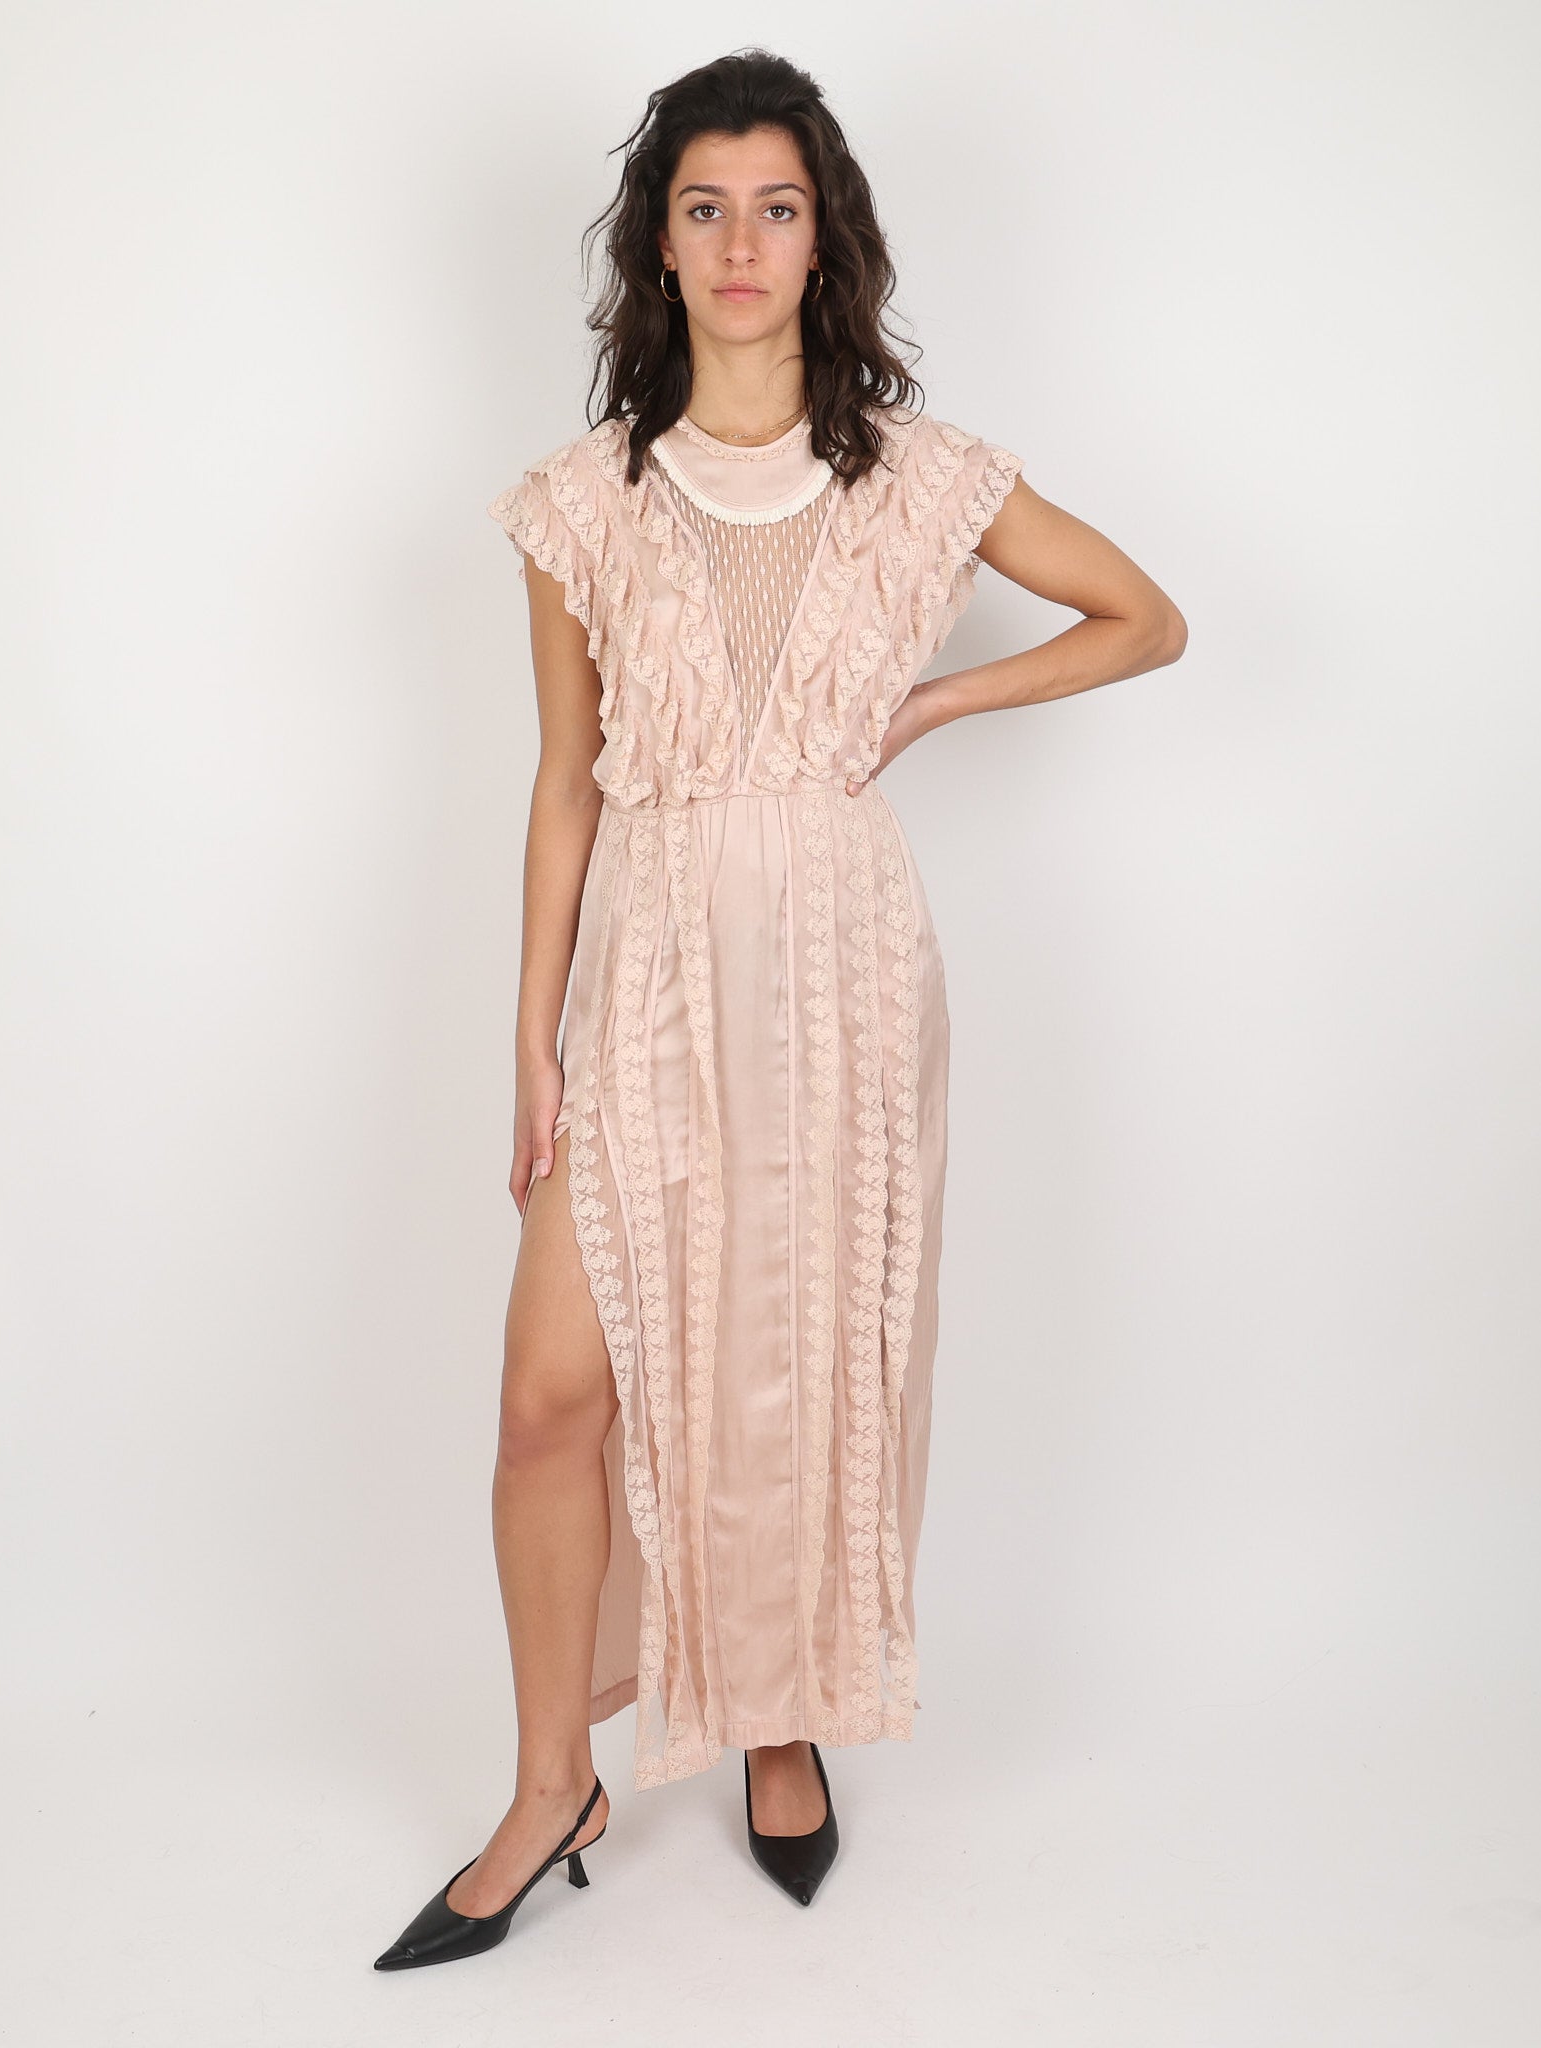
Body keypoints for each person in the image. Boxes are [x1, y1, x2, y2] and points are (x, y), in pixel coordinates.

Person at [375, 48, 1186, 1971]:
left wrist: (935, 703)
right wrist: (529, 1040)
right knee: (548, 1395)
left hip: (840, 962)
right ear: (657, 246)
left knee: (805, 1357)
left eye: (778, 207)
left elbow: (1145, 619)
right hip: (648, 961)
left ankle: (786, 1716)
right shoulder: (581, 504)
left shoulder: (920, 477)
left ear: (827, 242)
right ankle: (549, 1787)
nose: (741, 242)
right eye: (704, 207)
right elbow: (565, 784)